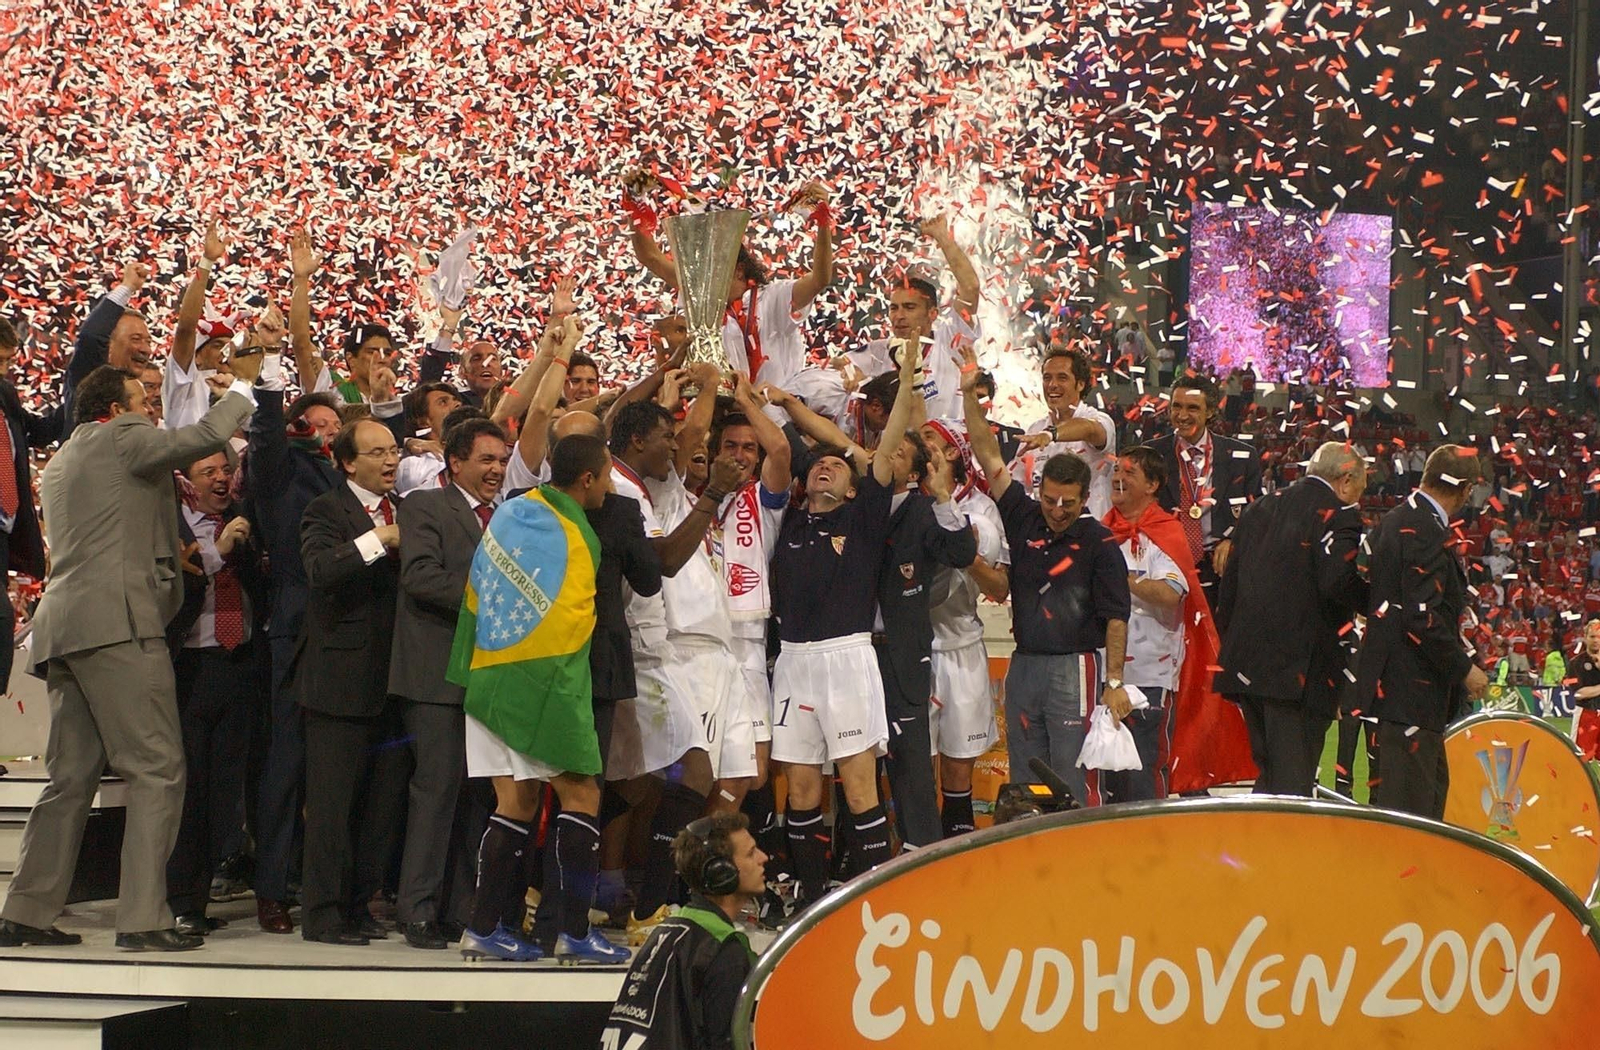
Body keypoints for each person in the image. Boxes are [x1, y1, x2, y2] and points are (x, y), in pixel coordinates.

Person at [0, 352, 260, 952]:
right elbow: (208, 435)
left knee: (69, 779)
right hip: (118, 624)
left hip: (66, 628)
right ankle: (143, 917)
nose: (151, 412)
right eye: (143, 403)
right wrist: (246, 382)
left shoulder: (65, 457)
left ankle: (27, 911)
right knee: (159, 768)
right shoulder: (121, 437)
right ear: (116, 411)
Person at [449, 432, 628, 964]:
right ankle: (575, 933)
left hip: (488, 670)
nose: (612, 484)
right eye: (607, 474)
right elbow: (568, 624)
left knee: (517, 802)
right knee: (582, 796)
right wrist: (565, 697)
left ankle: (482, 929)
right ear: (588, 479)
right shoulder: (574, 531)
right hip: (540, 680)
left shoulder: (509, 511)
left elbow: (478, 585)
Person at [767, 345, 919, 910]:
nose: (826, 466)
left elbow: (890, 435)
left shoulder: (863, 513)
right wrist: (778, 401)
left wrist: (905, 381)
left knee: (859, 786)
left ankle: (872, 900)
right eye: (820, 466)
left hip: (848, 659)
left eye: (837, 465)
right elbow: (788, 445)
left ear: (855, 487)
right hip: (793, 663)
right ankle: (809, 900)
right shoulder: (789, 519)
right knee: (802, 791)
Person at [606, 389, 748, 945]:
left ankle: (610, 891)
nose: (677, 447)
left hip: (647, 648)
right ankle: (649, 903)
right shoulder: (623, 490)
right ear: (639, 440)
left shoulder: (641, 485)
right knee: (689, 773)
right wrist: (712, 492)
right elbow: (661, 564)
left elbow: (687, 438)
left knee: (634, 782)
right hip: (637, 652)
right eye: (666, 438)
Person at [962, 346, 1131, 807]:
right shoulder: (1025, 514)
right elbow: (986, 454)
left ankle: (1081, 863)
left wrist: (1114, 682)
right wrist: (967, 397)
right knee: (1025, 778)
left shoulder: (1099, 540)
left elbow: (1117, 616)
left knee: (1074, 775)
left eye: (1068, 503)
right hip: (1026, 660)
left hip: (1075, 662)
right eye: (1050, 500)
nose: (1057, 510)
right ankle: (1031, 859)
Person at [387, 417, 509, 949]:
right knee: (435, 793)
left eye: (501, 461)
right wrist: (494, 598)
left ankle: (461, 908)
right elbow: (420, 577)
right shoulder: (425, 506)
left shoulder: (508, 518)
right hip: (435, 677)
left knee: (476, 799)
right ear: (454, 462)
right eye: (486, 460)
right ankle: (416, 909)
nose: (496, 470)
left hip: (488, 680)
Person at [1215, 441, 1369, 796]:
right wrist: (1374, 601)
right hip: (1301, 673)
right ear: (1346, 480)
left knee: (1268, 775)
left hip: (1248, 666)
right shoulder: (1339, 513)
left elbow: (1229, 591)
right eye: (1360, 488)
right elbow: (1337, 582)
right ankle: (1284, 850)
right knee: (1293, 784)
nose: (1358, 497)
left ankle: (1258, 849)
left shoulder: (1260, 508)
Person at [245, 381, 344, 935]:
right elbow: (263, 445)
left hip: (348, 636)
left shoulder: (349, 479)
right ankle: (272, 888)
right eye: (317, 424)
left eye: (335, 426)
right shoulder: (282, 471)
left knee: (337, 769)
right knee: (286, 765)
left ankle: (332, 887)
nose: (327, 432)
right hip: (296, 630)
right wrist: (269, 393)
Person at [164, 450, 266, 937]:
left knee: (224, 792)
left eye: (227, 470)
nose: (223, 479)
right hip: (189, 668)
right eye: (210, 472)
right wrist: (217, 550)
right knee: (190, 789)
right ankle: (178, 900)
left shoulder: (246, 525)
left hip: (239, 663)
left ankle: (201, 897)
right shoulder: (171, 528)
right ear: (188, 482)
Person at [1357, 445, 1488, 820]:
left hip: (1396, 691)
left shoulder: (1398, 519)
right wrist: (1464, 668)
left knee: (1417, 803)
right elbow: (1421, 616)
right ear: (1464, 490)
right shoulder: (1425, 529)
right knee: (1413, 815)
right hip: (1411, 690)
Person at [624, 172, 834, 390]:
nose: (702, 273)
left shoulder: (774, 297)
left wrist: (822, 222)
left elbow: (820, 278)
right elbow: (650, 257)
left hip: (773, 409)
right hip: (716, 405)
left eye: (712, 267)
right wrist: (635, 200)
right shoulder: (698, 293)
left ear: (739, 269)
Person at [599, 814, 766, 1050]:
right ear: (722, 872)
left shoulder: (667, 930)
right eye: (750, 853)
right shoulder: (722, 949)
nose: (763, 858)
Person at [921, 419, 1009, 837]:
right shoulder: (908, 497)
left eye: (928, 439)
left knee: (959, 766)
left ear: (953, 452)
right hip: (913, 647)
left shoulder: (983, 509)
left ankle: (956, 841)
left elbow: (999, 587)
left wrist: (965, 553)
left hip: (962, 645)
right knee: (915, 762)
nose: (919, 446)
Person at [1100, 447, 1188, 801]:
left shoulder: (1165, 533)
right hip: (1104, 674)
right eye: (1116, 471)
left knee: (1144, 768)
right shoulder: (1101, 529)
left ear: (1152, 485)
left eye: (1129, 473)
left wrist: (1118, 580)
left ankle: (1153, 845)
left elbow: (1170, 592)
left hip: (1151, 674)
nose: (1118, 478)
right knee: (1108, 770)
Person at [1146, 373, 1262, 599]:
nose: (1182, 415)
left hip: (1220, 569)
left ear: (1210, 411)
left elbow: (1256, 514)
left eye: (1192, 408)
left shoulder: (1243, 457)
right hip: (1164, 566)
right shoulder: (1151, 454)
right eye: (1176, 406)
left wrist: (1232, 540)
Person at [0, 318, 60, 693]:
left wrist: (81, 392)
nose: (5, 370)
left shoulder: (6, 395)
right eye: (0, 360)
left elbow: (38, 433)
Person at [1013, 347, 1117, 520]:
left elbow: (1088, 429)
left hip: (1090, 536)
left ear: (1081, 384)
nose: (1052, 385)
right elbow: (1019, 484)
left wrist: (1050, 435)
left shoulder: (1100, 420)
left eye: (1062, 377)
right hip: (1046, 535)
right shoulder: (1034, 430)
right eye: (1047, 378)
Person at [1570, 620, 1600, 762]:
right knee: (1580, 760)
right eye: (1592, 636)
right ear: (1585, 637)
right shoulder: (1576, 663)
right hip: (1586, 714)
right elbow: (1578, 693)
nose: (1596, 640)